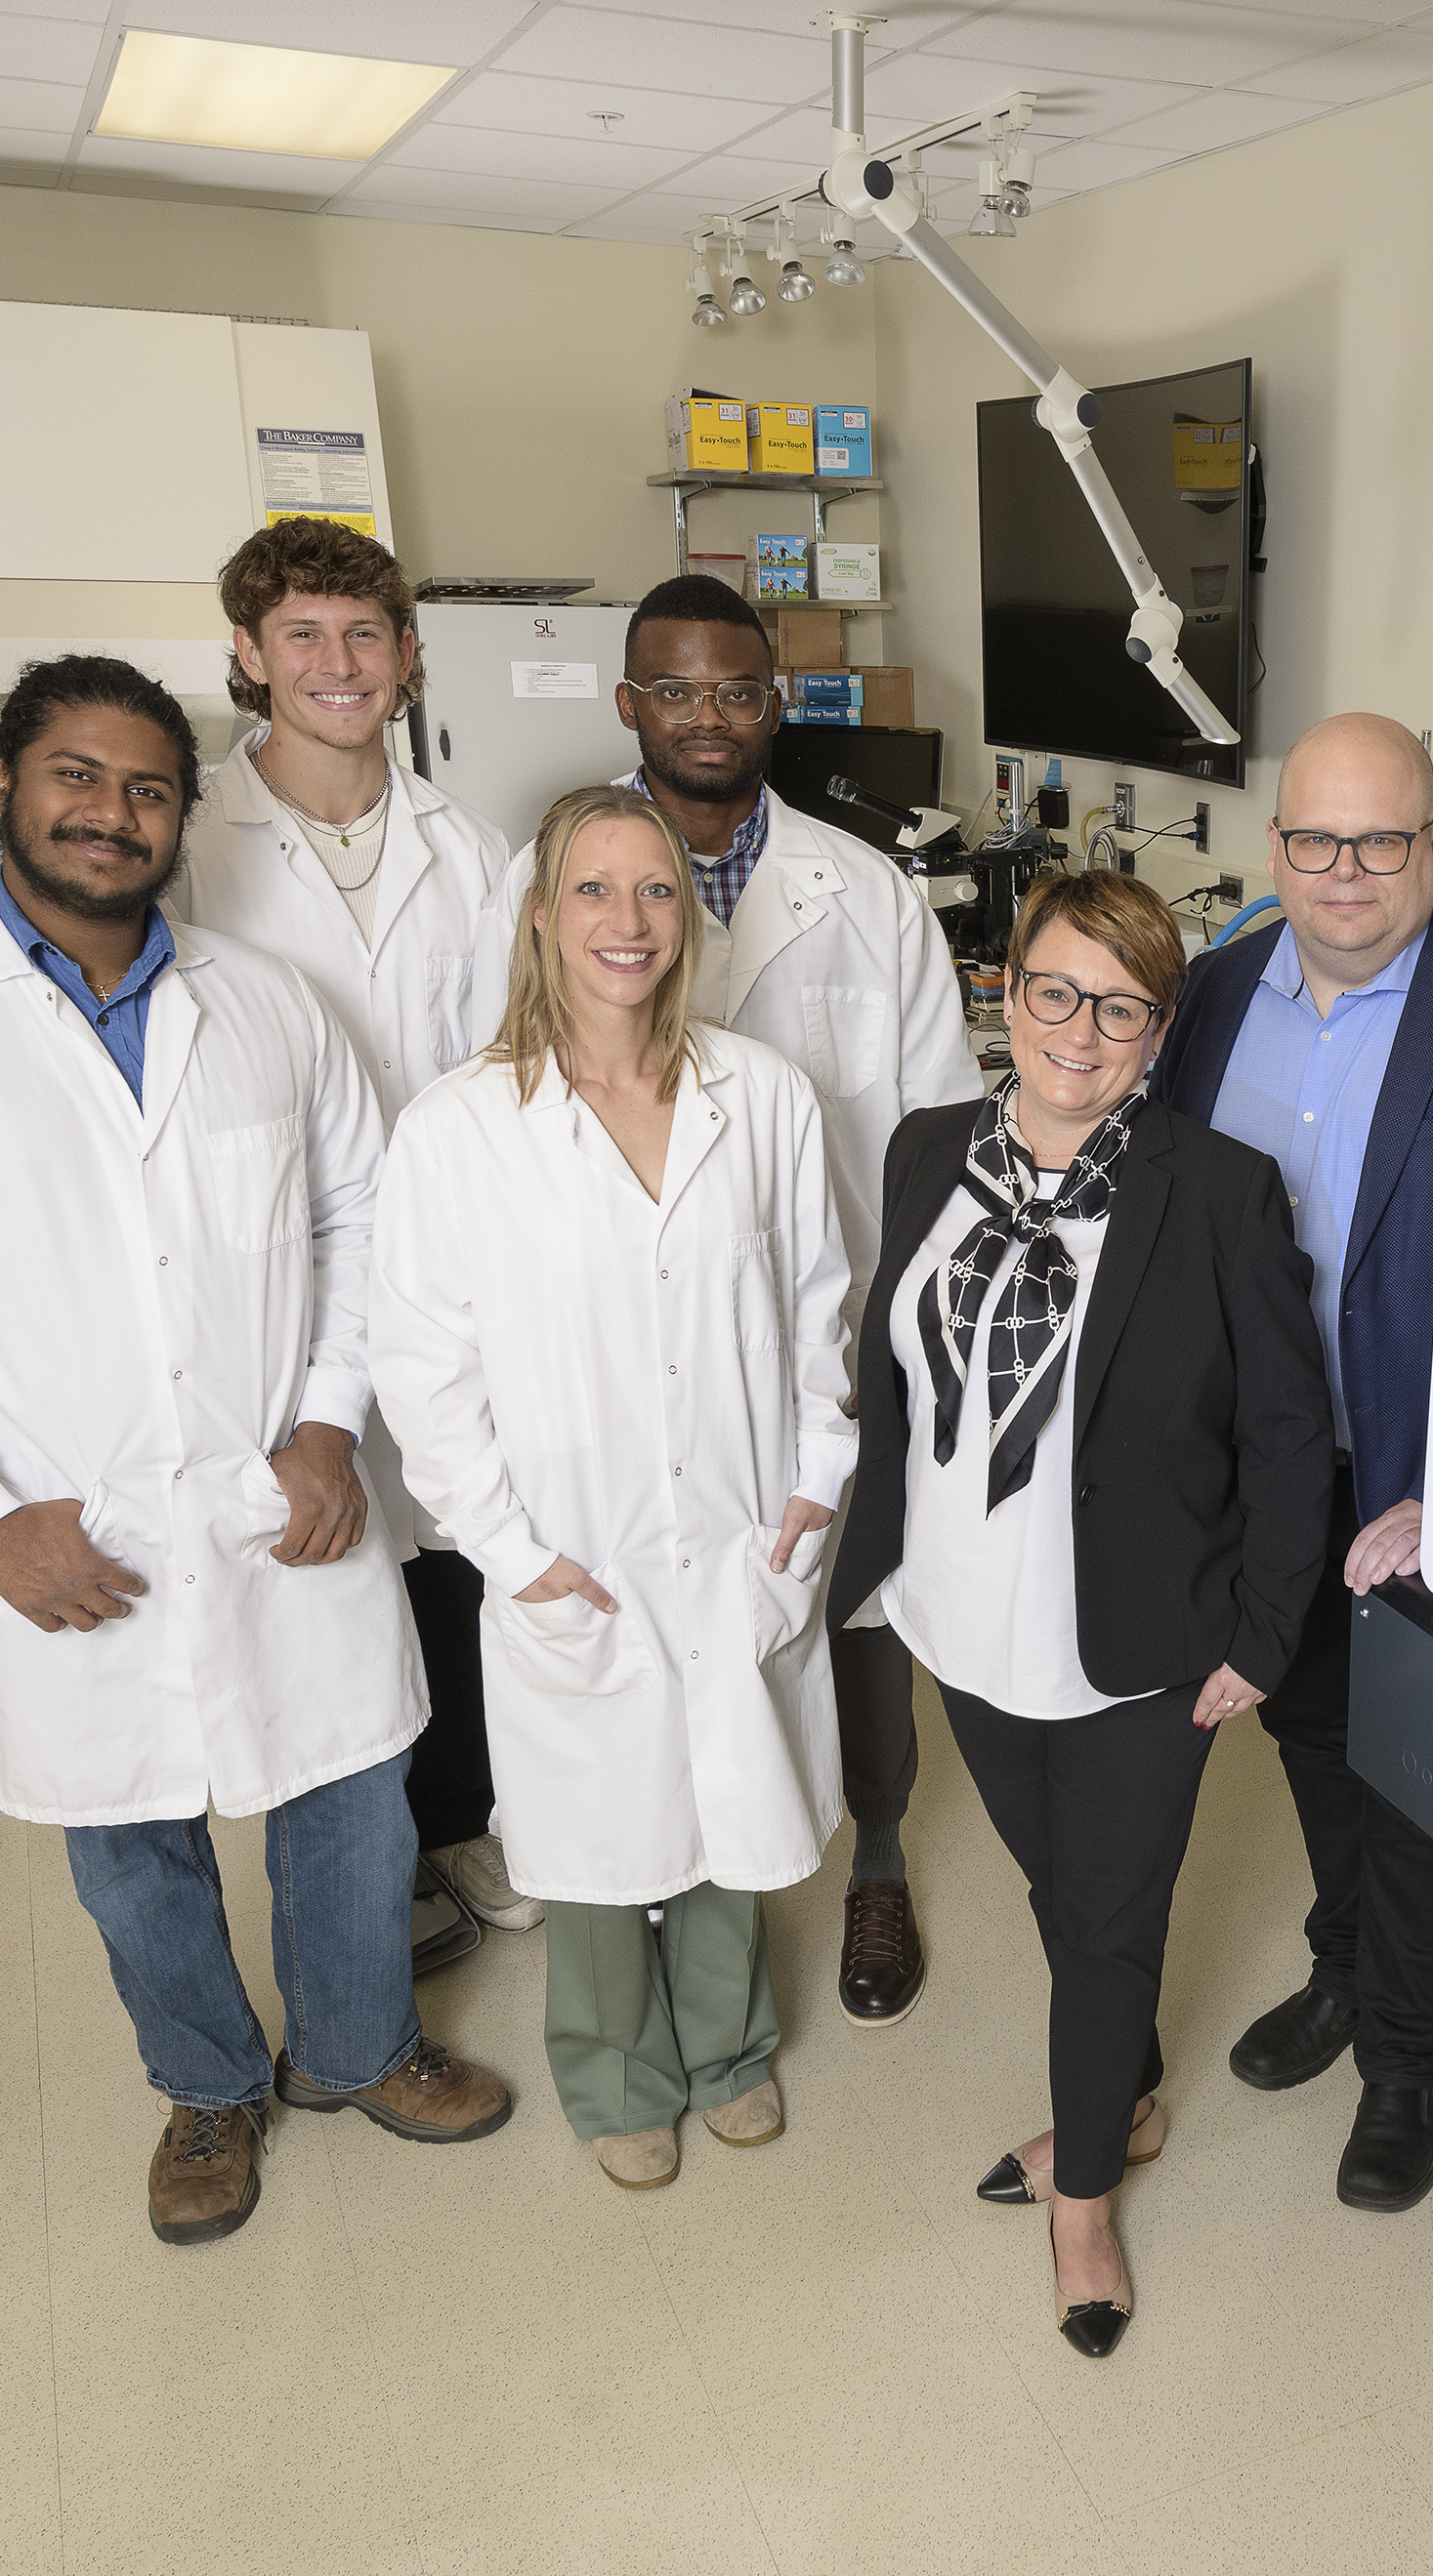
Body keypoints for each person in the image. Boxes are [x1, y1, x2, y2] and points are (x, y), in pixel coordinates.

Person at [0, 653, 513, 2248]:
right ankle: (210, 2088)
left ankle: (363, 2049)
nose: (111, 814)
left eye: (145, 788)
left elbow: (363, 1217)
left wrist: (325, 1416)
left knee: (352, 1795)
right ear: (7, 789)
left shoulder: (265, 1006)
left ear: (181, 816)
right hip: (59, 1520)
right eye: (76, 779)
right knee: (132, 1842)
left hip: (280, 1494)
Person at [828, 871, 1333, 2355]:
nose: (1078, 1028)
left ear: (1158, 1030)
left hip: (1133, 1640)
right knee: (1061, 1895)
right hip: (960, 1625)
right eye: (1053, 990)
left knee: (1106, 1927)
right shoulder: (926, 1154)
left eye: (1119, 1006)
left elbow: (1290, 1437)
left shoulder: (1219, 1191)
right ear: (1007, 996)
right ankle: (1127, 2090)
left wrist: (1261, 1633)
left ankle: (1086, 2205)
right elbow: (899, 1377)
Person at [375, 784, 855, 2190]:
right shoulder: (460, 1130)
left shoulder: (759, 1098)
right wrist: (514, 1556)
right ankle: (616, 2077)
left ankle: (731, 2050)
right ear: (537, 917)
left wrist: (818, 1484)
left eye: (656, 891)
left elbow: (821, 1307)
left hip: (739, 1526)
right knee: (592, 1826)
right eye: (593, 891)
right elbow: (424, 1374)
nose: (627, 921)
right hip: (566, 1546)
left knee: (726, 1791)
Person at [1153, 712, 1433, 2215]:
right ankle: (1343, 1968)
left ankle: (1405, 2057)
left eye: (1384, 841)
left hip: (1417, 1478)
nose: (1347, 874)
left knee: (1420, 1773)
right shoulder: (1211, 998)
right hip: (1270, 1472)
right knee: (1312, 1734)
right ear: (1273, 848)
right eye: (1315, 841)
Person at [535, 571, 975, 2028]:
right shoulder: (560, 880)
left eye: (736, 688)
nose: (708, 716)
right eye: (675, 690)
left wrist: (903, 1354)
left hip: (828, 1346)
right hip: (620, 1349)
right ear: (628, 706)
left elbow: (934, 1133)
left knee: (853, 1617)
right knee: (648, 1620)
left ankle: (879, 1869)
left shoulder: (866, 892)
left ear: (777, 702)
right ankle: (660, 1888)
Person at [173, 519, 539, 1958]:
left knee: (452, 1539)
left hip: (451, 1257)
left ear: (408, 658)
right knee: (323, 1571)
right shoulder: (193, 843)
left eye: (364, 635)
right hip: (279, 1271)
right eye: (303, 638)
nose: (338, 665)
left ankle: (456, 1829)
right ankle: (360, 1867)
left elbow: (516, 1047)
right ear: (251, 659)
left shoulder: (473, 845)